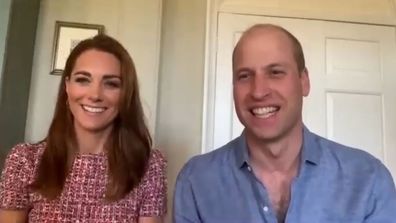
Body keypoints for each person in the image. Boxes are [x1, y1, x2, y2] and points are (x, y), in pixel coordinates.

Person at [173, 24, 396, 223]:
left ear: (304, 82)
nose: (259, 91)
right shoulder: (196, 181)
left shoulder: (368, 179)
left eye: (275, 72)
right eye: (244, 76)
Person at [0, 34, 167, 223]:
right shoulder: (24, 160)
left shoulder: (148, 166)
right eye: (83, 80)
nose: (95, 94)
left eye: (111, 83)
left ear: (126, 94)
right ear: (67, 86)